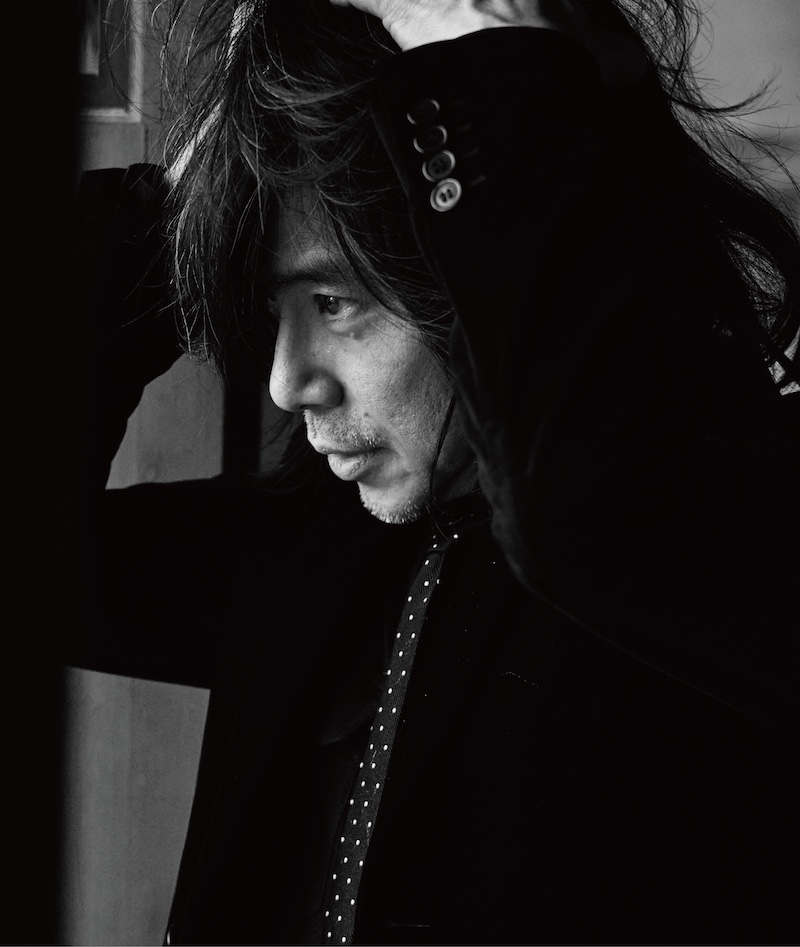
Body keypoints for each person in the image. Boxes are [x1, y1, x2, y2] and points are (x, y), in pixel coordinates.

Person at [74, 0, 800, 942]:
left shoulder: (721, 536)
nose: (287, 381)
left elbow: (595, 511)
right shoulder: (306, 552)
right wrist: (181, 209)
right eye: (274, 309)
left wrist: (490, 80)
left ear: (475, 262)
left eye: (334, 301)